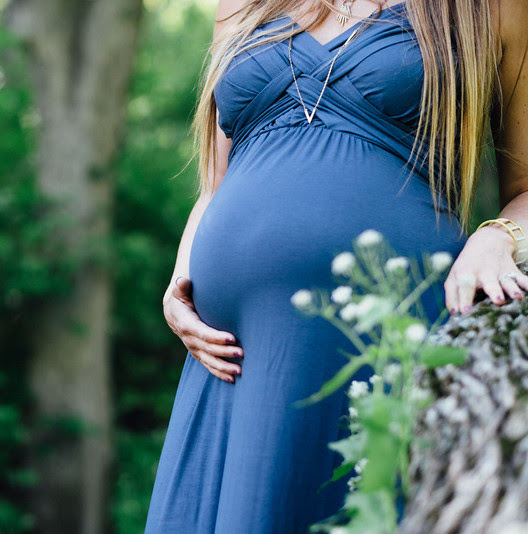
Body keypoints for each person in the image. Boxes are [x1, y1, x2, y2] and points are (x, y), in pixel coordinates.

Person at [144, 0, 528, 532]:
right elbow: (214, 184)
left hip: (382, 333)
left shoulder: (488, 9)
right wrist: (179, 283)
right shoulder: (242, 5)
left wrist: (498, 236)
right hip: (233, 354)